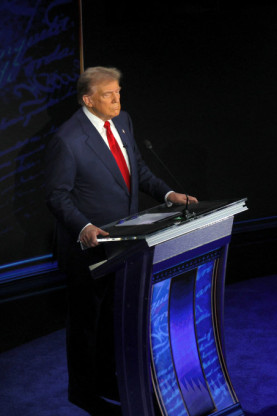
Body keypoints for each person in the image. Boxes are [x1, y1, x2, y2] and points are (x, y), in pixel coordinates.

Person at [44, 66, 198, 415]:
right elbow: (57, 196)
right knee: (87, 323)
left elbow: (137, 169)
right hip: (89, 247)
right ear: (88, 99)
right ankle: (84, 393)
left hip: (125, 242)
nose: (117, 99)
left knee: (114, 317)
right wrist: (83, 226)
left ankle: (107, 378)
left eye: (118, 92)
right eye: (109, 94)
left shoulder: (123, 121)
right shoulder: (67, 140)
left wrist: (169, 193)